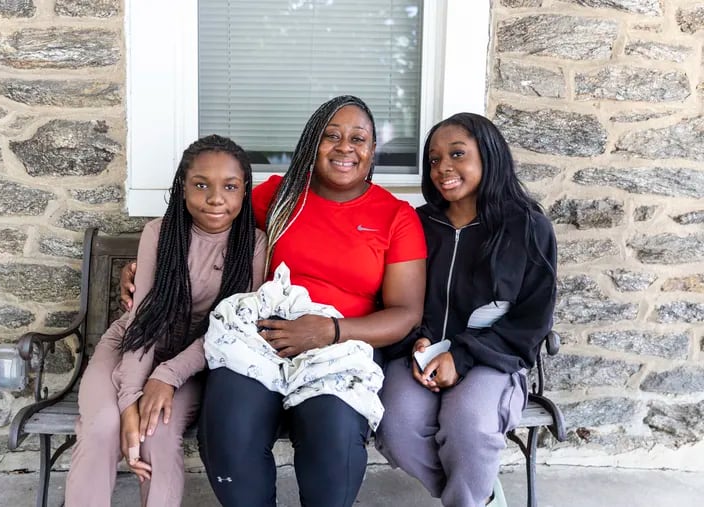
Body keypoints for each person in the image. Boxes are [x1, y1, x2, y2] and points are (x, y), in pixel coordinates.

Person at [120, 95, 427, 506]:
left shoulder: (395, 216)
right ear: (311, 143)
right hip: (259, 339)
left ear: (372, 151)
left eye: (359, 138)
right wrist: (146, 265)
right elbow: (209, 222)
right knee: (229, 427)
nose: (345, 147)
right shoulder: (277, 197)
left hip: (342, 346)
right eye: (331, 135)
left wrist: (330, 330)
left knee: (332, 434)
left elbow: (406, 313)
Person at [65, 135, 267, 507]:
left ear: (244, 191)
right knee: (103, 426)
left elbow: (231, 332)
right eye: (201, 184)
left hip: (194, 360)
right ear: (183, 187)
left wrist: (167, 376)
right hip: (133, 344)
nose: (216, 198)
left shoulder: (253, 246)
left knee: (156, 429)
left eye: (230, 186)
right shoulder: (159, 234)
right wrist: (129, 402)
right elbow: (143, 322)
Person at [375, 113, 558, 507]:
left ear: (489, 157)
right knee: (395, 427)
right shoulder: (416, 224)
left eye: (457, 154)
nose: (444, 169)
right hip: (418, 354)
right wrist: (415, 341)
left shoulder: (528, 227)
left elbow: (532, 317)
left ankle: (469, 498)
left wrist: (461, 355)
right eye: (435, 160)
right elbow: (392, 297)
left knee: (469, 426)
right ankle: (482, 496)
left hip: (492, 358)